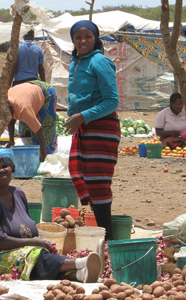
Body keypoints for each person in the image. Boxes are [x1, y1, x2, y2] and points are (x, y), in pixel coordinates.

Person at [0, 144, 104, 282]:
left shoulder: (18, 194)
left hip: (20, 250)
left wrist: (38, 241)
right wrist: (33, 242)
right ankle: (81, 263)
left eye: (5, 165)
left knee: (40, 256)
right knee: (33, 256)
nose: (2, 170)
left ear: (12, 168)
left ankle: (79, 275)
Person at [63, 20, 121, 241]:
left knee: (98, 183)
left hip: (102, 128)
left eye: (87, 36)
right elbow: (76, 94)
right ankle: (105, 237)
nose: (83, 41)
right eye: (78, 37)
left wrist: (82, 116)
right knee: (87, 179)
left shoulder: (99, 61)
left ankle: (109, 240)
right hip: (86, 127)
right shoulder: (75, 63)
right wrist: (73, 112)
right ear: (73, 41)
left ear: (96, 39)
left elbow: (111, 101)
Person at [0, 80, 57, 162]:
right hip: (28, 92)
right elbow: (10, 120)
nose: (7, 118)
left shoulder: (23, 109)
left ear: (10, 107)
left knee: (45, 128)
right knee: (24, 130)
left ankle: (47, 152)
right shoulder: (6, 103)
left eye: (7, 116)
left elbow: (39, 130)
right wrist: (11, 141)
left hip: (46, 93)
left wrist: (44, 156)